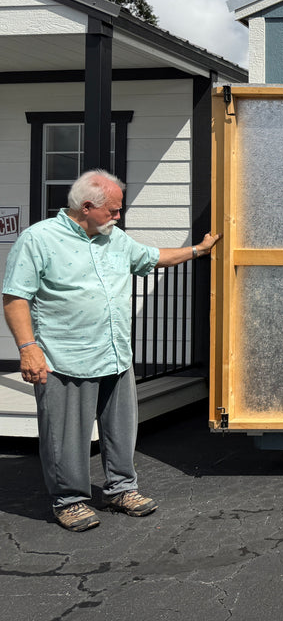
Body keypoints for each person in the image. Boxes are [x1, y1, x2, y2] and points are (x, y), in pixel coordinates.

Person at [2, 170, 220, 532]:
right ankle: (69, 500)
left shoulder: (113, 239)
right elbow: (15, 297)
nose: (119, 217)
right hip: (64, 357)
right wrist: (28, 349)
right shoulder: (38, 239)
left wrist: (199, 249)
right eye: (114, 211)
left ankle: (121, 489)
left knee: (121, 430)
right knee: (64, 435)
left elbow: (154, 257)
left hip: (114, 353)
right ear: (87, 207)